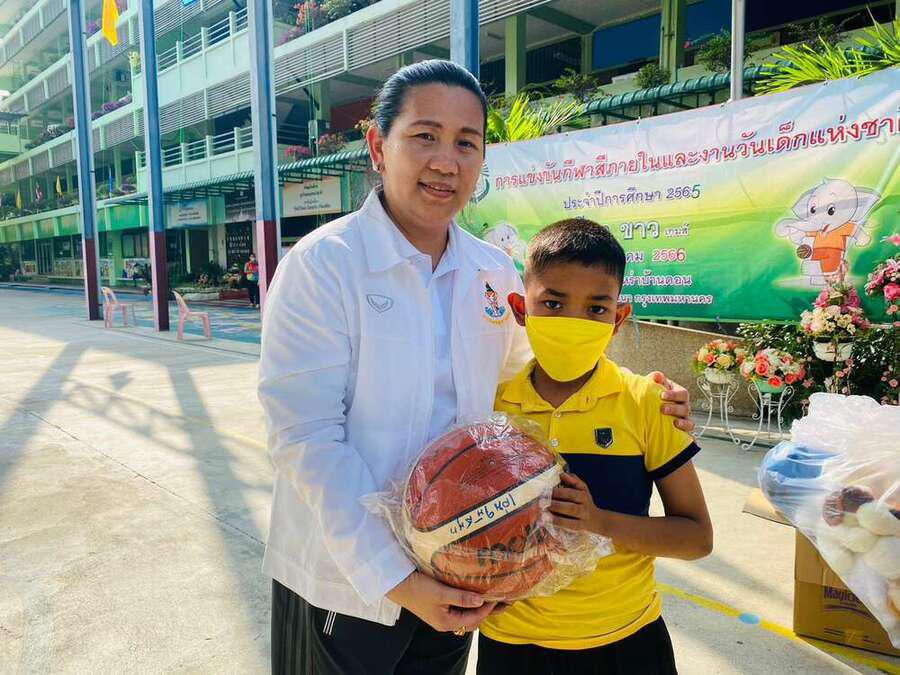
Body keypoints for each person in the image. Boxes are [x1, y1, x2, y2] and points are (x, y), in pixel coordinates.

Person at [257, 60, 695, 675]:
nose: (447, 162)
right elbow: (305, 438)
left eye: (467, 143)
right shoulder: (324, 264)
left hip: (467, 569)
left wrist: (645, 393)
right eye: (425, 136)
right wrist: (397, 579)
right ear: (378, 147)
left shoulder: (493, 270)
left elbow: (535, 375)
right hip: (351, 580)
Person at [477, 219, 714, 675]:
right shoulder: (491, 405)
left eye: (596, 308)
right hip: (511, 643)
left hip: (625, 638)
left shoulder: (648, 402)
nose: (574, 322)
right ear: (520, 309)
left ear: (618, 318)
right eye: (553, 303)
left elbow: (696, 537)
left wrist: (598, 522)